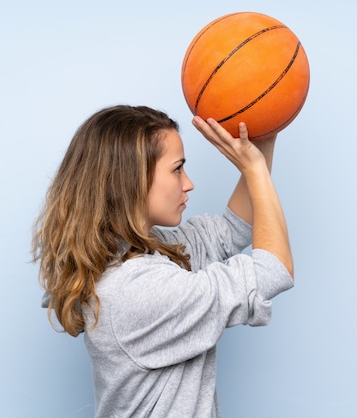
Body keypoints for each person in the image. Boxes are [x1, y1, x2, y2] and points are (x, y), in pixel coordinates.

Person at [32, 104, 294, 417]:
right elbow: (273, 269)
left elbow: (231, 229)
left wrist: (265, 135)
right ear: (130, 180)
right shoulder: (136, 290)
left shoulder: (145, 250)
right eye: (177, 169)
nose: (188, 183)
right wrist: (254, 170)